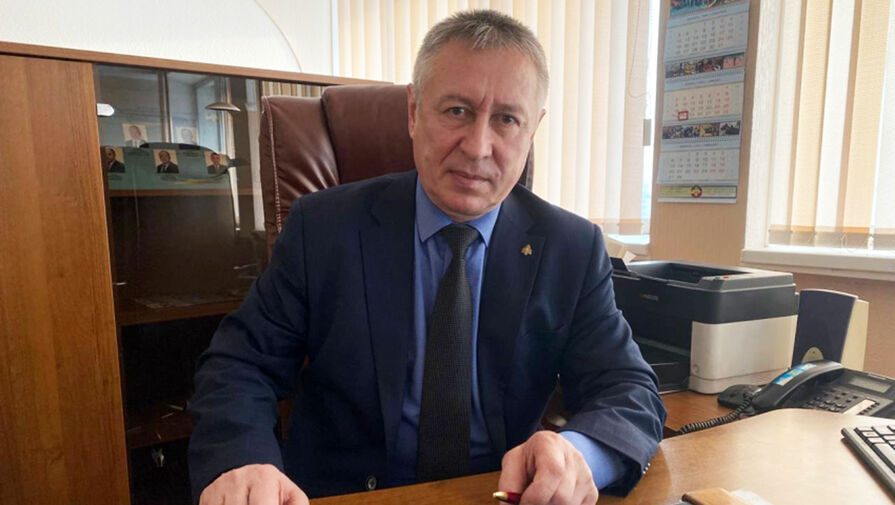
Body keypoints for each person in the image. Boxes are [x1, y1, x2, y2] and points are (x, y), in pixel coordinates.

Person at [188, 10, 665, 505]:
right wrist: (243, 461)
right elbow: (239, 365)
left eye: (506, 119)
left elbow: (629, 389)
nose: (478, 148)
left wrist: (578, 455)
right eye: (457, 111)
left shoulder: (571, 247)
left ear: (532, 130)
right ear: (414, 112)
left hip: (498, 495)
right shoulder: (323, 227)